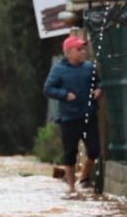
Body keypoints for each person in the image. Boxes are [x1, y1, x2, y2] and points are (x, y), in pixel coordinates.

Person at [42, 35, 102, 194]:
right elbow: (48, 88)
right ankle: (71, 187)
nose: (83, 52)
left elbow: (98, 82)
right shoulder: (59, 69)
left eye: (83, 49)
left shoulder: (89, 67)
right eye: (79, 49)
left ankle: (83, 175)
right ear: (68, 52)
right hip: (69, 119)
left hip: (89, 116)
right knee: (70, 153)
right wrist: (64, 94)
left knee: (94, 150)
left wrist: (98, 90)